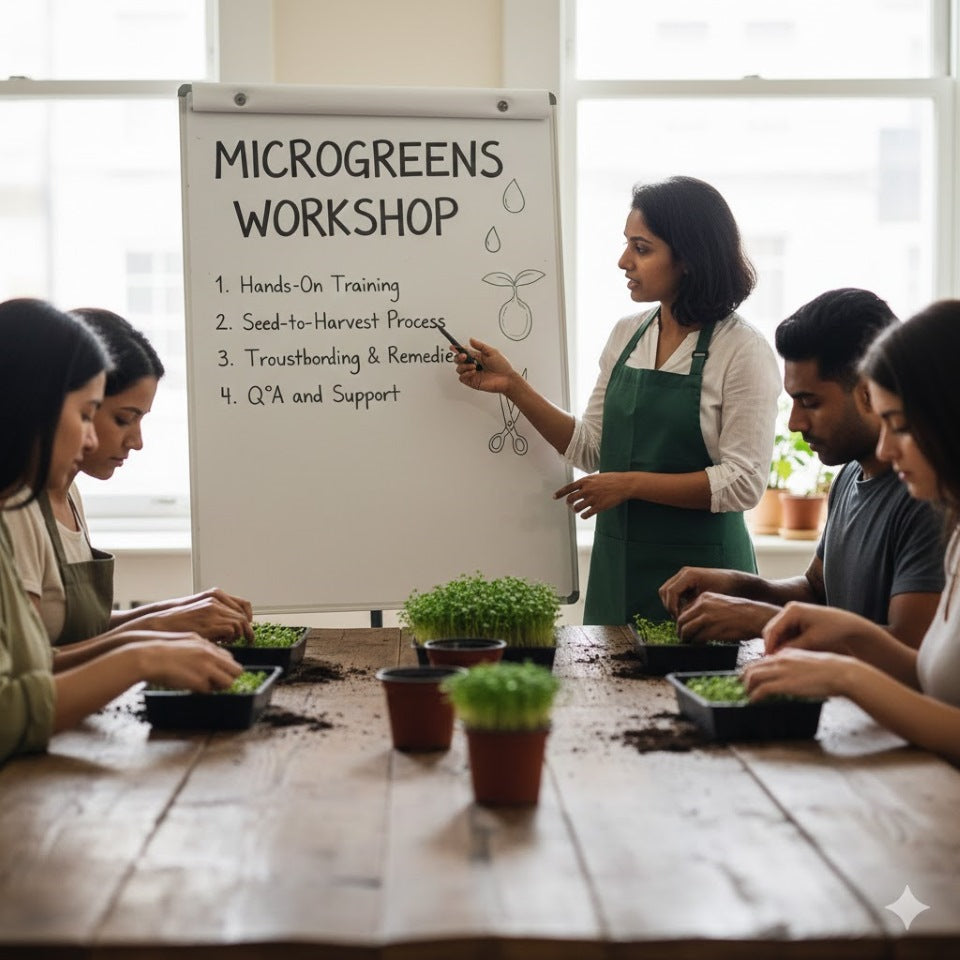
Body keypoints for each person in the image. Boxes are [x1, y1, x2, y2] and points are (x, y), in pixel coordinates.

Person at [453, 176, 781, 624]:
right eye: (627, 245)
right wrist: (513, 385)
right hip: (618, 574)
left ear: (689, 258)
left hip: (707, 582)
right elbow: (591, 448)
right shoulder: (629, 334)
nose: (623, 261)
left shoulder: (742, 350)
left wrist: (628, 484)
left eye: (642, 248)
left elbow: (744, 482)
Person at [1, 298, 241, 764]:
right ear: (37, 404)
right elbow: (28, 683)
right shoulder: (16, 509)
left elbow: (32, 661)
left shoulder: (61, 493)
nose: (94, 438)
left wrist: (162, 622)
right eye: (92, 414)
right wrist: (144, 649)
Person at [660, 288, 944, 647]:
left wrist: (766, 619)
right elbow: (816, 591)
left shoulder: (925, 499)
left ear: (869, 393)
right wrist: (739, 586)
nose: (795, 423)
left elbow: (909, 648)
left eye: (810, 402)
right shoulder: (848, 478)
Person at [742, 300, 960, 763]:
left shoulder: (929, 512)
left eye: (897, 426)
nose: (885, 447)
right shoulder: (956, 537)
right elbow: (930, 677)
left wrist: (845, 674)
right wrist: (844, 631)